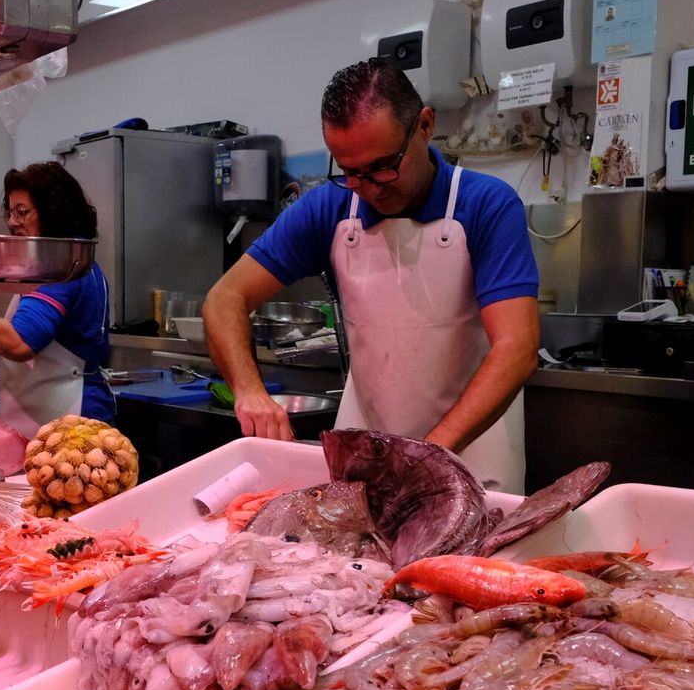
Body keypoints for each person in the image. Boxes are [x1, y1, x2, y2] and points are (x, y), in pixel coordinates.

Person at [202, 58, 540, 491]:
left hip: (473, 454)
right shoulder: (332, 206)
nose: (371, 187)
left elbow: (517, 348)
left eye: (384, 166)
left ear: (424, 125)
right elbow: (225, 298)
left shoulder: (487, 205)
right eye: (351, 172)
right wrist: (249, 390)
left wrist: (425, 456)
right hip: (367, 452)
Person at [0, 162, 114, 436]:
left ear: (53, 212)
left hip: (75, 426)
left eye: (22, 212)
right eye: (10, 213)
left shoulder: (62, 272)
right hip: (56, 421)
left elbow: (19, 343)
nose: (13, 222)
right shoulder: (73, 263)